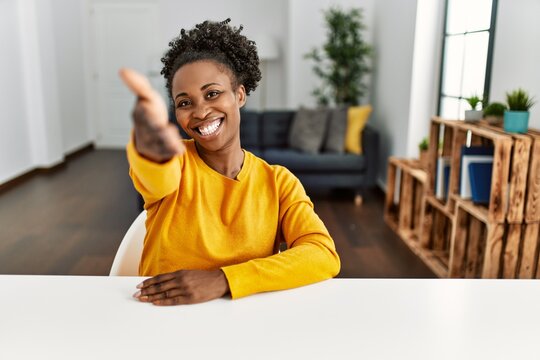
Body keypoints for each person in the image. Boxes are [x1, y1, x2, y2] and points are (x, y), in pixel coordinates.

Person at [120, 19, 340, 306]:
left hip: (244, 322)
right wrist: (148, 143)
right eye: (184, 103)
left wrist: (223, 279)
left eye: (212, 94)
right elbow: (155, 170)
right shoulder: (177, 164)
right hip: (164, 317)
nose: (200, 112)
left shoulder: (278, 182)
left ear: (239, 95)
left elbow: (322, 253)